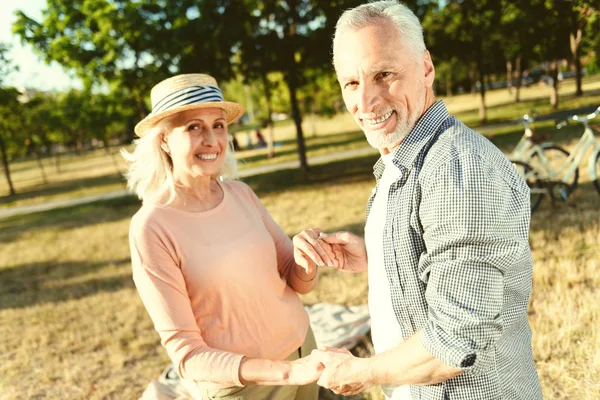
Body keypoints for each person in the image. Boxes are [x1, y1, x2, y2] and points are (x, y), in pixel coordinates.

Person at [293, 1, 542, 399]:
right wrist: (379, 254)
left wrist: (364, 369)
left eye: (384, 74)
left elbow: (454, 342)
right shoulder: (403, 159)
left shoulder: (461, 172)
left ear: (426, 68)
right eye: (351, 83)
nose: (367, 102)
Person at [123, 73, 322, 400]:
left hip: (304, 351)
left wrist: (307, 260)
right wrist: (284, 372)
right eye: (193, 127)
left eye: (218, 125)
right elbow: (188, 356)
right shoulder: (151, 227)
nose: (212, 140)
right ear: (163, 140)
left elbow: (298, 280)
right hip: (244, 389)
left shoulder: (241, 194)